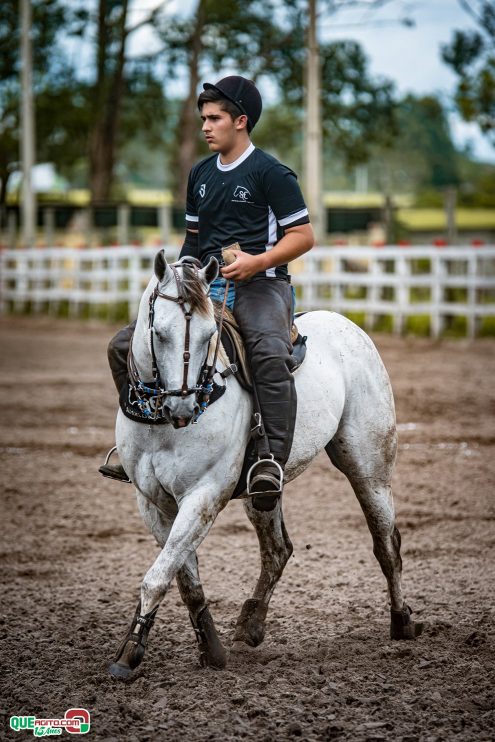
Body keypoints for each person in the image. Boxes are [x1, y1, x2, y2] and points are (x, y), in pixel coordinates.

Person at [100, 75, 314, 510]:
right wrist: (178, 279)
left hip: (263, 286)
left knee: (269, 355)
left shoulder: (272, 173)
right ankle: (138, 443)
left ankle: (268, 461)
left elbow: (304, 236)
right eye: (203, 118)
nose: (205, 126)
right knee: (123, 344)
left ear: (241, 121)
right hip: (205, 287)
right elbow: (193, 246)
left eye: (214, 118)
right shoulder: (199, 174)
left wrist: (258, 261)